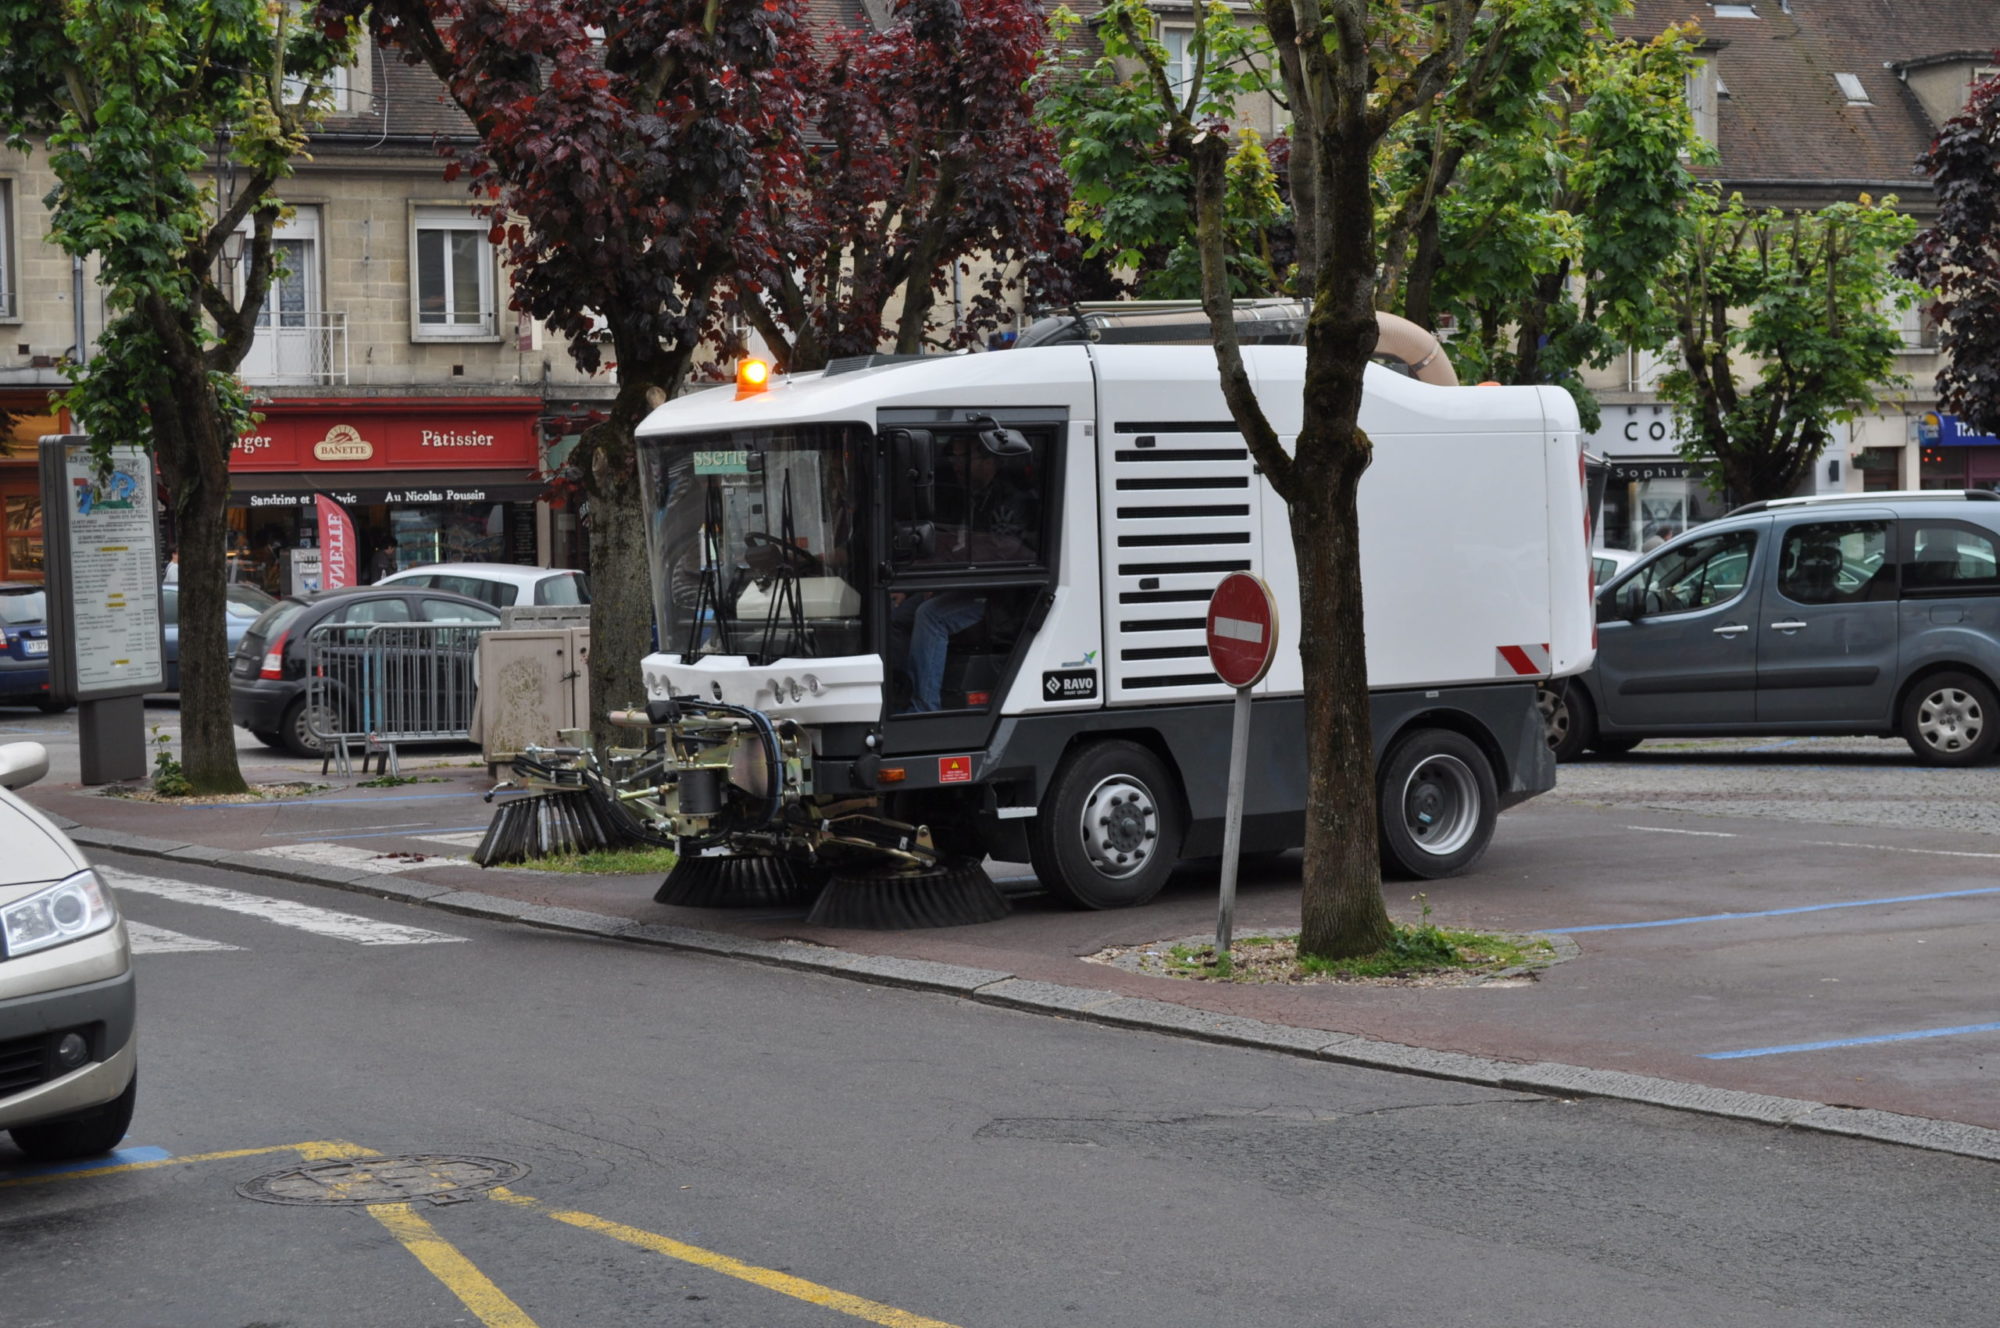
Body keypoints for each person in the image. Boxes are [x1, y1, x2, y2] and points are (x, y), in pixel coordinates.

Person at [895, 441, 1039, 711]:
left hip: (1002, 597)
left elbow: (1003, 557)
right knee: (898, 616)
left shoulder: (1013, 500)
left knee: (931, 615)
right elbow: (962, 547)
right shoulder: (977, 495)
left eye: (964, 458)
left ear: (990, 461)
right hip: (969, 586)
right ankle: (900, 691)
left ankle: (925, 709)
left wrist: (943, 581)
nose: (956, 465)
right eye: (955, 458)